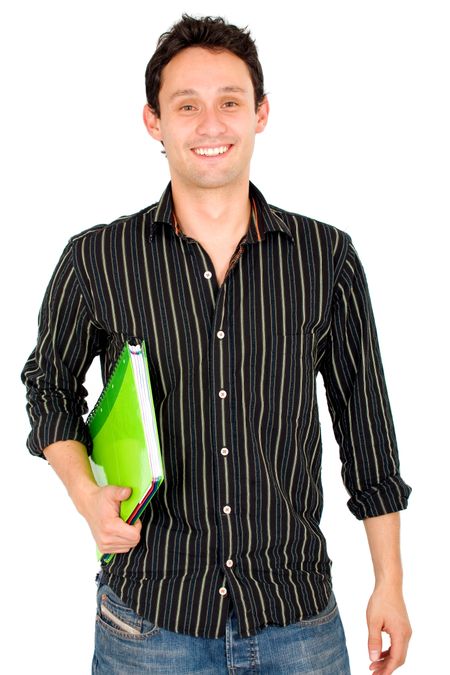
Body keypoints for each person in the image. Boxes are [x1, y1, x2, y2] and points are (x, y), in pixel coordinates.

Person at [21, 14, 412, 675]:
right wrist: (85, 493)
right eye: (187, 105)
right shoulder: (98, 258)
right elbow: (47, 386)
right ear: (154, 121)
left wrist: (391, 582)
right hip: (150, 618)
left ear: (260, 114)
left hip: (297, 617)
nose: (210, 124)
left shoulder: (326, 256)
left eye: (230, 102)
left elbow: (365, 420)